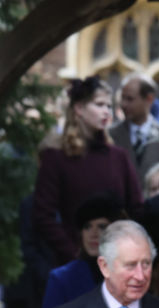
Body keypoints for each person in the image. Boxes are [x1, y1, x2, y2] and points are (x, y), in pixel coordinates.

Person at [33, 77, 142, 266]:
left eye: (109, 106)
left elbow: (136, 208)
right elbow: (43, 215)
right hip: (75, 261)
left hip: (118, 262)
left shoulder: (118, 157)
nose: (106, 111)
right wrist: (72, 253)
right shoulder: (57, 157)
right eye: (99, 104)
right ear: (79, 108)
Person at [41, 192, 125, 308]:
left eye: (101, 227)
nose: (93, 234)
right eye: (87, 227)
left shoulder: (130, 274)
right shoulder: (61, 279)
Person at [109, 73, 159, 187]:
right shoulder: (111, 135)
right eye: (122, 98)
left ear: (149, 99)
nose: (123, 104)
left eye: (130, 99)